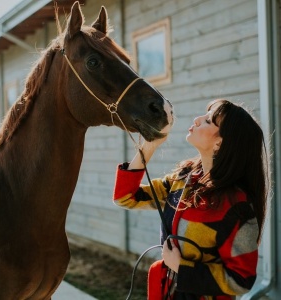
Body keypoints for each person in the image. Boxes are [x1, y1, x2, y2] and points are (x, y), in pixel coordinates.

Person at [112, 99, 269, 300]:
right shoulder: (181, 181)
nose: (197, 120)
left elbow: (240, 280)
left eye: (209, 121)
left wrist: (180, 266)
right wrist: (150, 145)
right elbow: (125, 197)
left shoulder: (235, 206)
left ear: (220, 143)